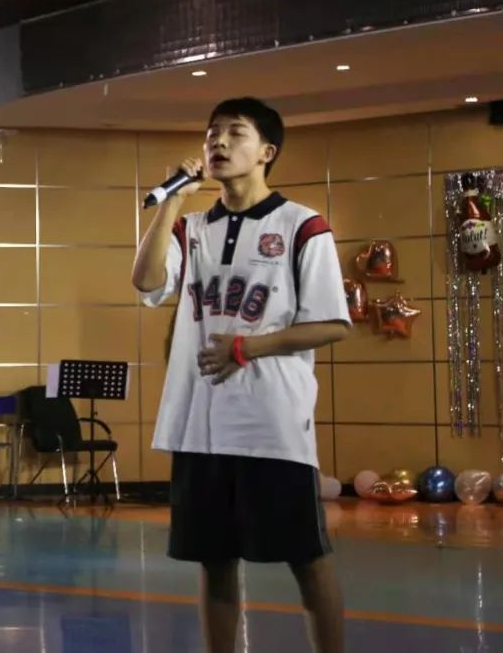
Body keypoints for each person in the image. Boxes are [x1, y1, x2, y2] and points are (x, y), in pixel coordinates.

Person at [131, 97, 351, 653]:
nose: (219, 142)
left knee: (307, 558)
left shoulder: (302, 225)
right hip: (200, 423)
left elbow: (332, 323)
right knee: (215, 560)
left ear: (266, 152)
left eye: (235, 133)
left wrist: (249, 346)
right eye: (212, 133)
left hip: (270, 425)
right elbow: (146, 281)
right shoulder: (191, 227)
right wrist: (171, 203)